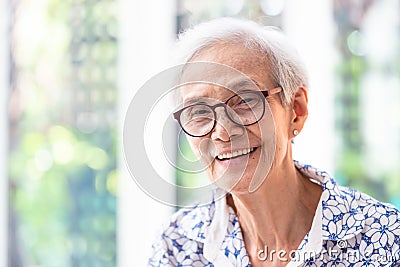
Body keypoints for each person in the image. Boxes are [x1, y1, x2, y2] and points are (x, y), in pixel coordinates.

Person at [148, 17, 400, 267]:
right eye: (199, 112)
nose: (222, 133)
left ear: (296, 110)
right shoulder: (178, 243)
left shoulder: (385, 238)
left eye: (245, 101)